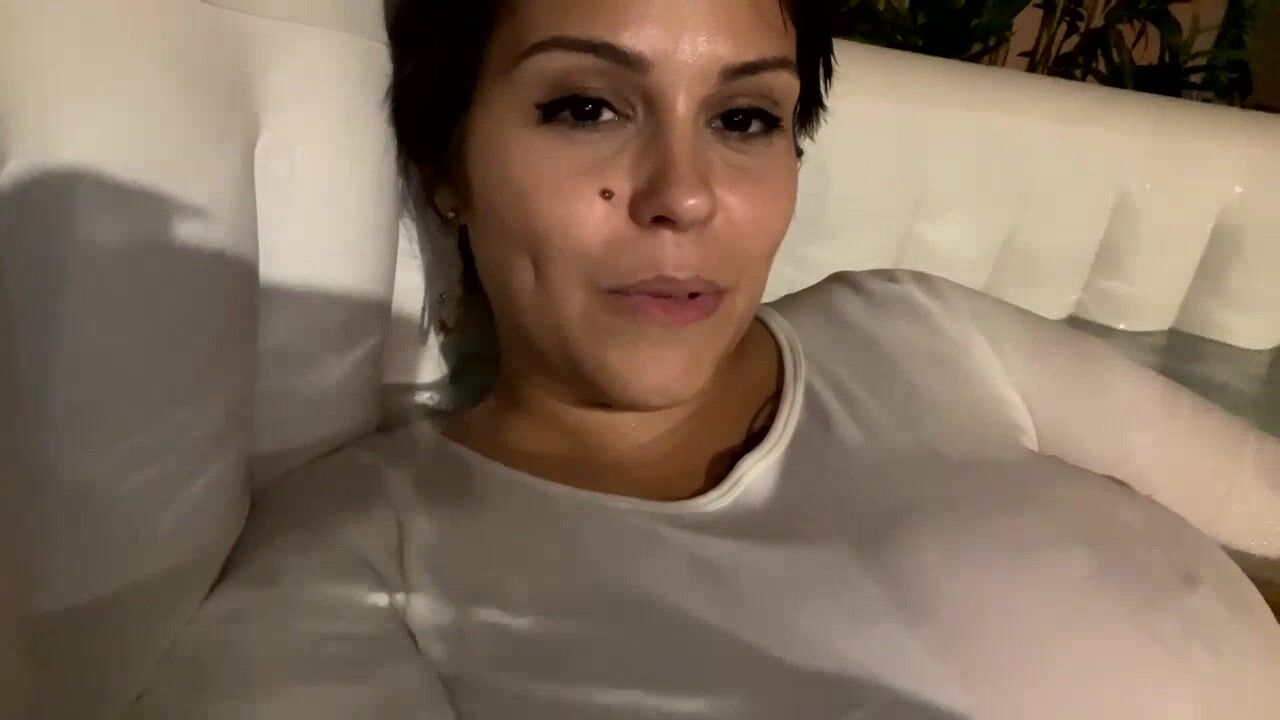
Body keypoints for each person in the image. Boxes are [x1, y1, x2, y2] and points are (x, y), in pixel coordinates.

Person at [131, 1, 1280, 718]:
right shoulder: (355, 578)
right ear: (447, 168)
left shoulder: (921, 331)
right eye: (585, 107)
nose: (682, 196)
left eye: (742, 120)